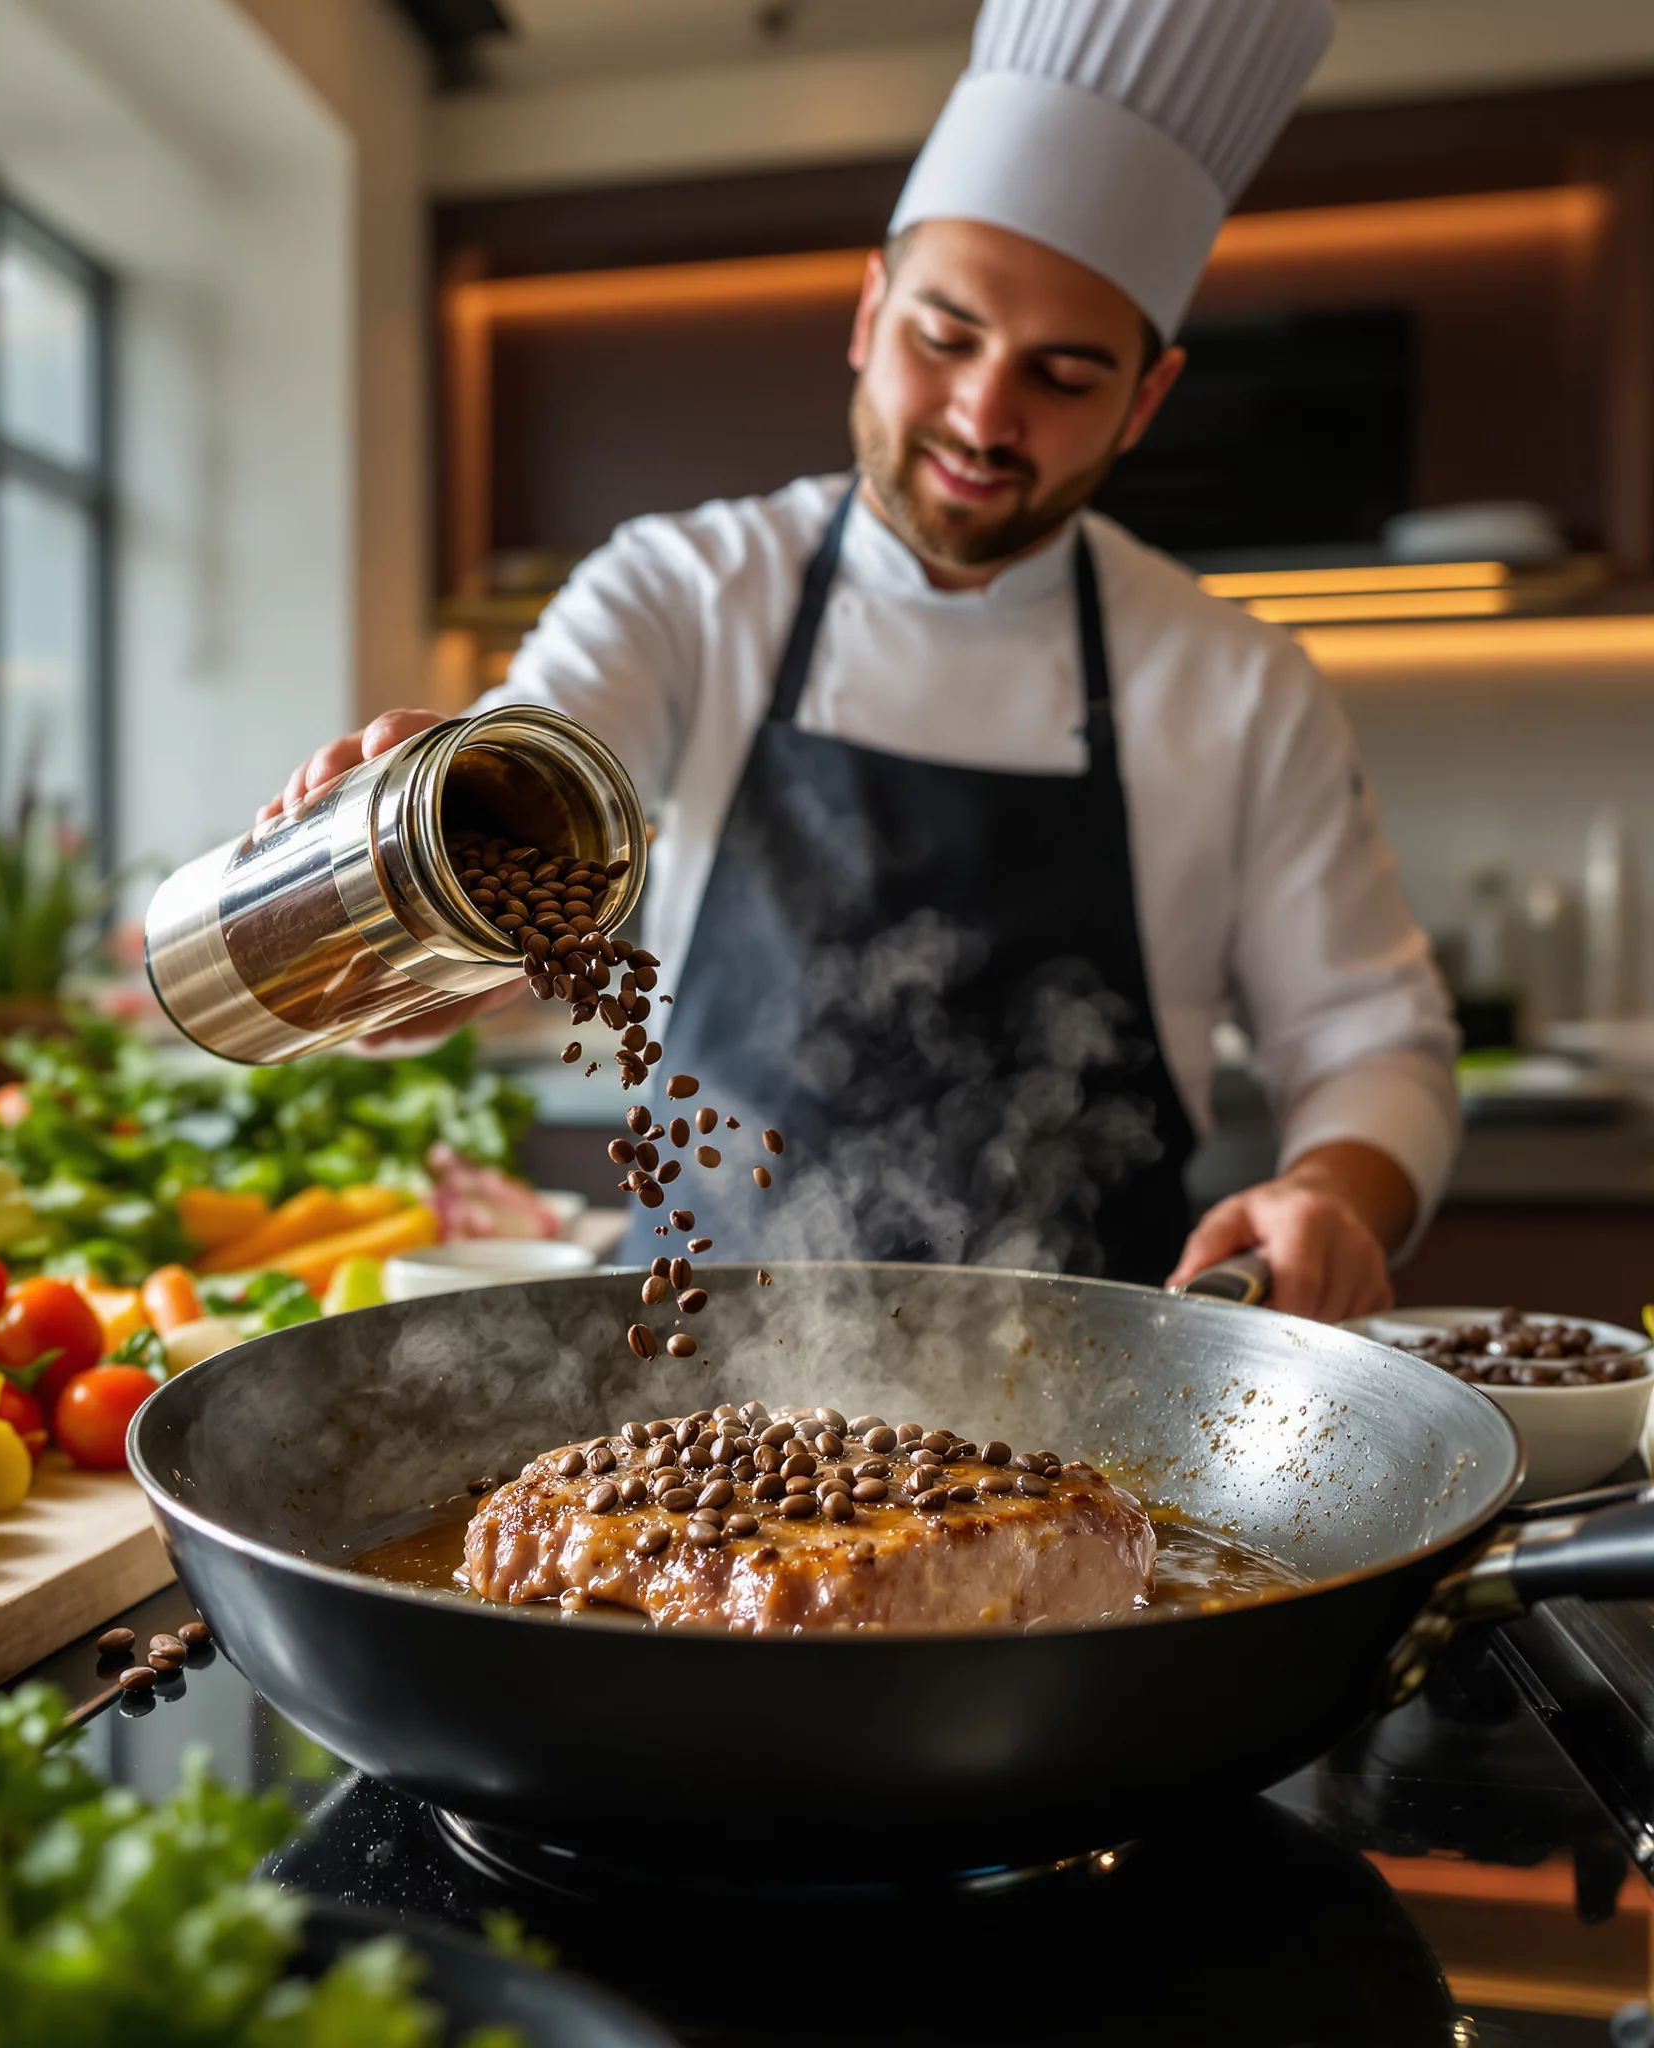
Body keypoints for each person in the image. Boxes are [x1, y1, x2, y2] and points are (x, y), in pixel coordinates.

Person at [266, 0, 1458, 1323]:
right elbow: (528, 776)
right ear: (869, 311)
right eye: (944, 339)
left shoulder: (1238, 685)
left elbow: (1372, 1046)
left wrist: (1336, 1196)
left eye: (1062, 376)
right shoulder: (683, 590)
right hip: (684, 1388)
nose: (983, 414)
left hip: (1098, 1408)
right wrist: (426, 892)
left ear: (1147, 398)